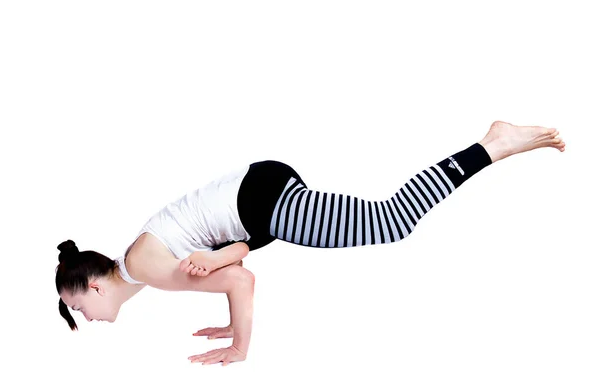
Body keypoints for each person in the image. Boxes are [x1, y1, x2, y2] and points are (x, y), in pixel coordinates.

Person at [55, 121, 565, 366]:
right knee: (387, 222)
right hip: (256, 200)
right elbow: (226, 257)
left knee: (390, 221)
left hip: (259, 203)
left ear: (94, 289)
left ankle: (492, 144)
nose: (86, 319)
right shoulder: (135, 265)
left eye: (77, 307)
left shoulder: (145, 271)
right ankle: (493, 146)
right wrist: (226, 290)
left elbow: (241, 278)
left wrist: (239, 345)